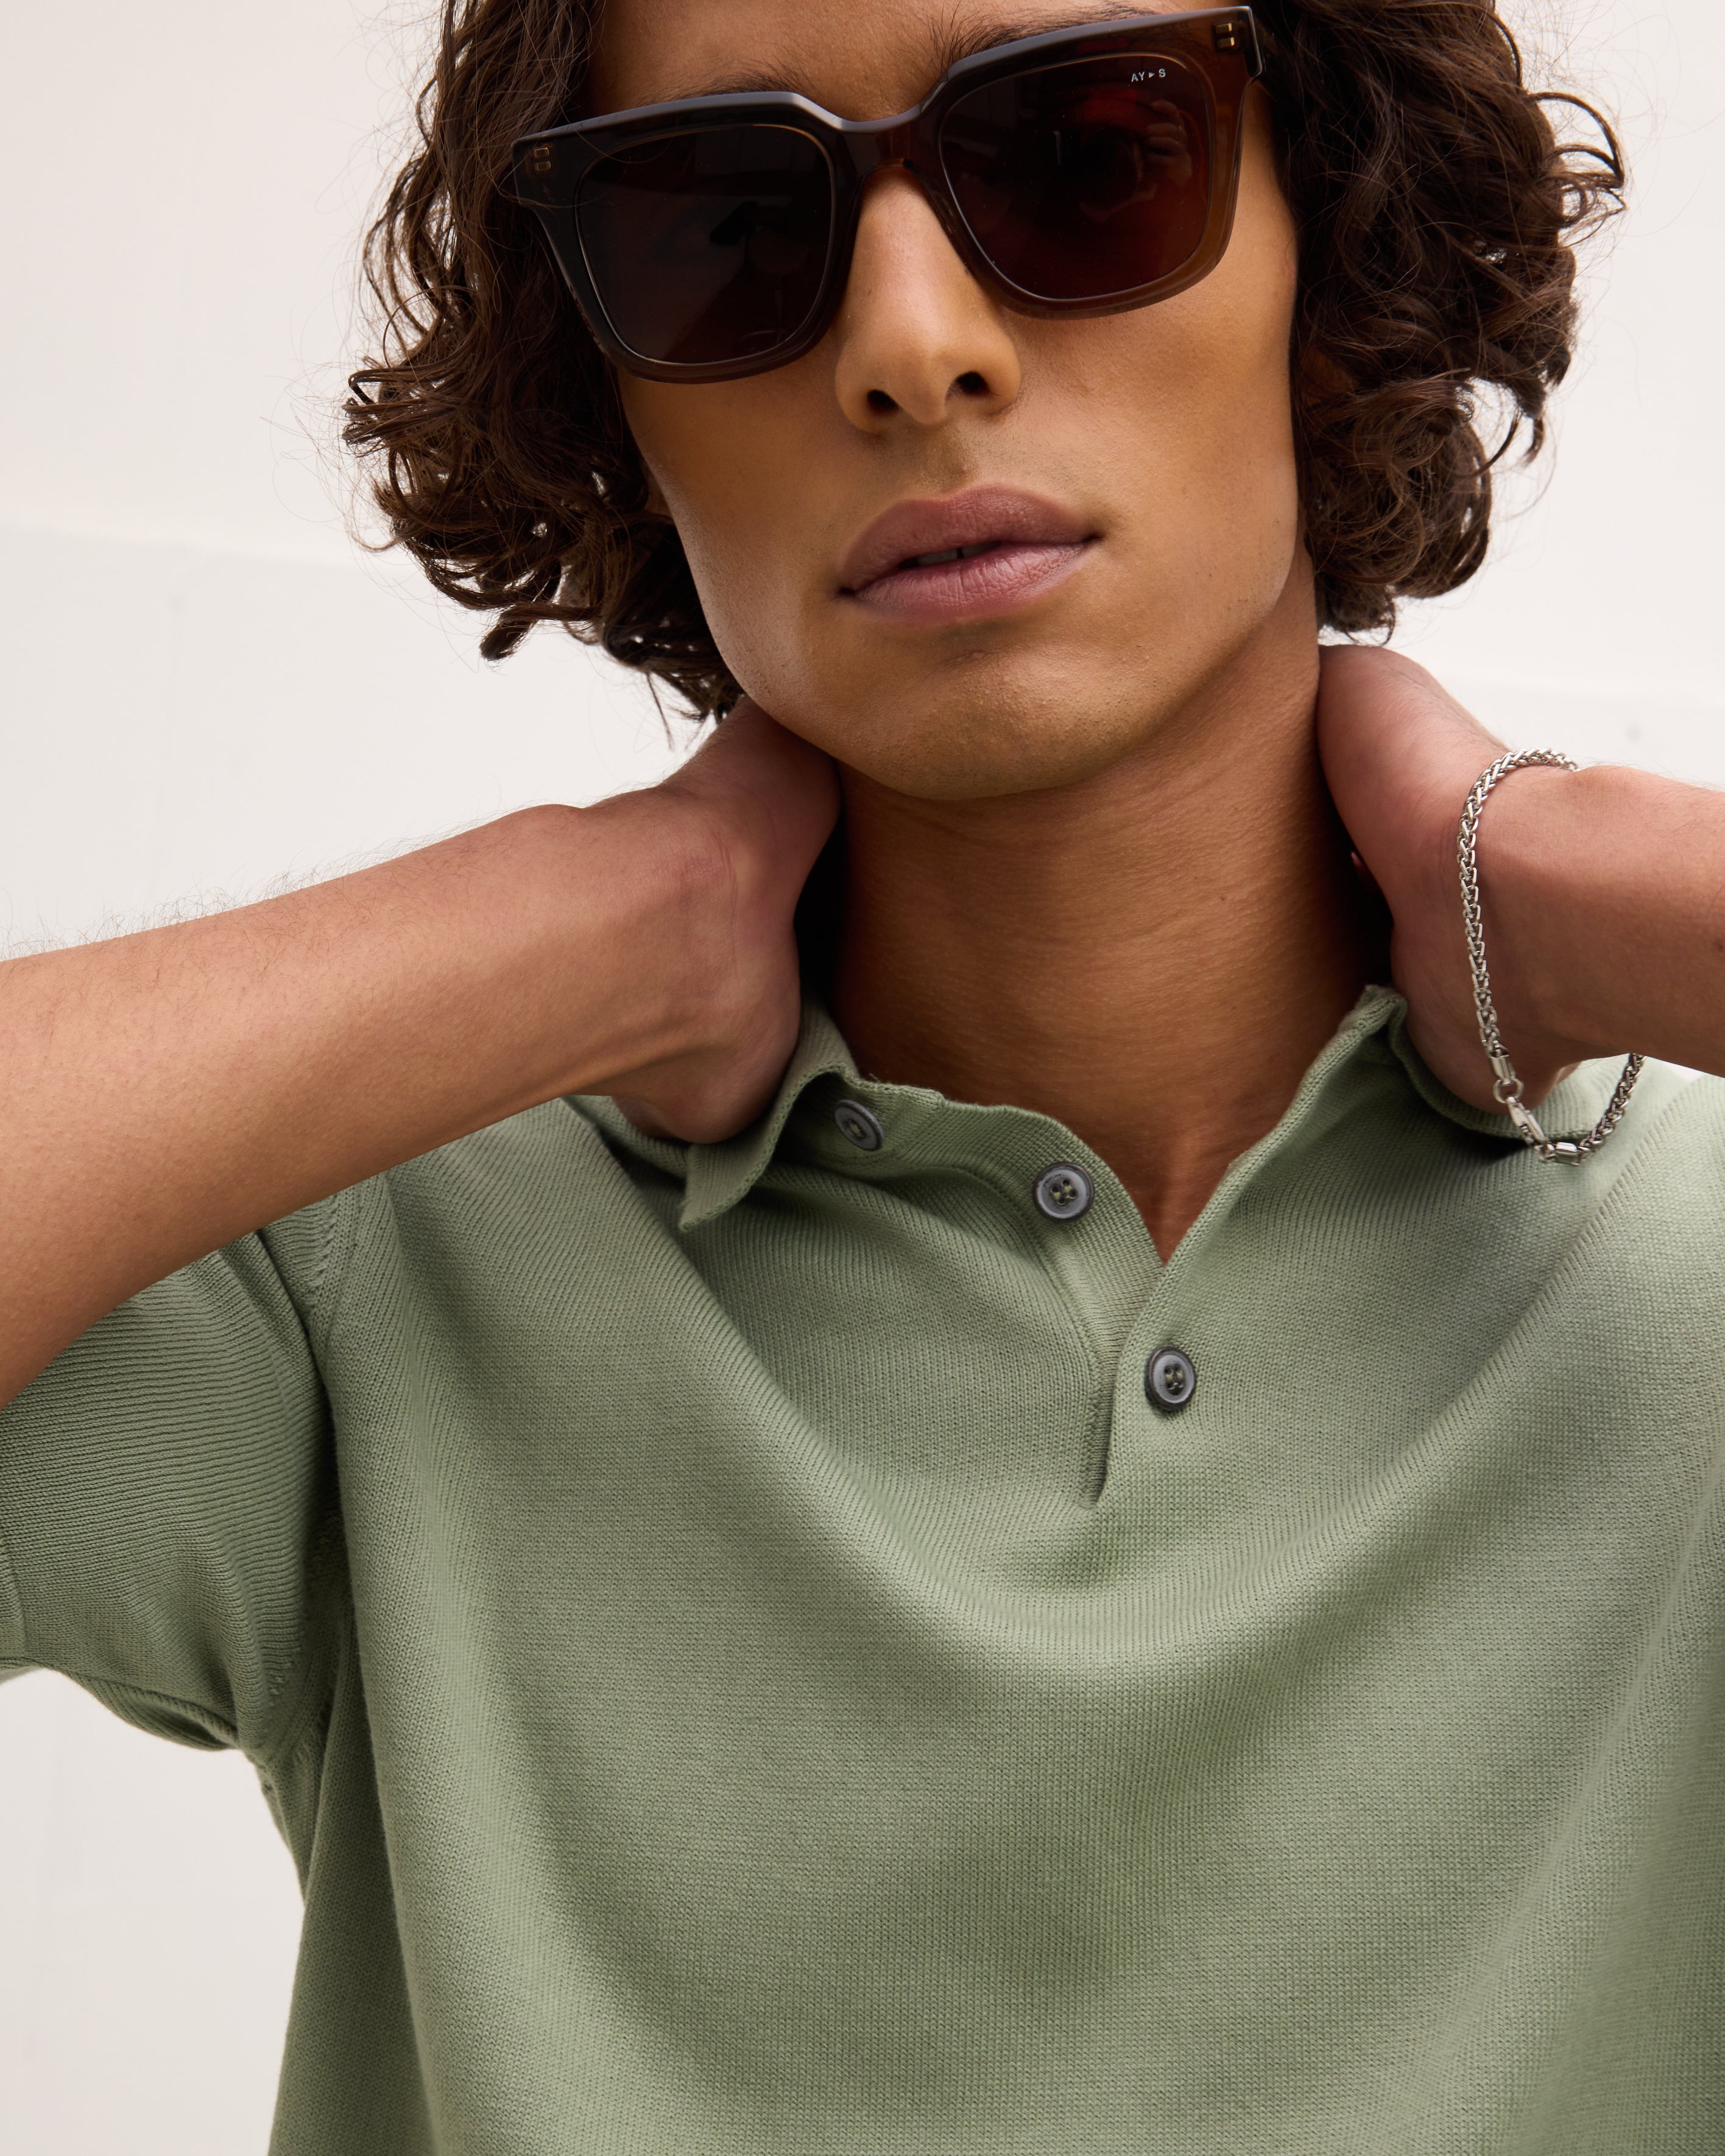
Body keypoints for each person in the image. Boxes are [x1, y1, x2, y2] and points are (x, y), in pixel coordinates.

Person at [2, 0, 1721, 2149]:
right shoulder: (376, 1278)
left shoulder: (1694, 1270)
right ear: (612, 391)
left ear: (1340, 226)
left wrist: (1596, 885)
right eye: (725, 226)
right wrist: (588, 921)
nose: (912, 346)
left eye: (1088, 155)